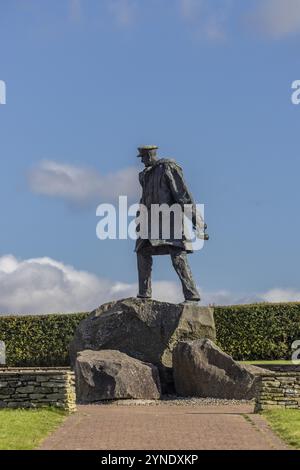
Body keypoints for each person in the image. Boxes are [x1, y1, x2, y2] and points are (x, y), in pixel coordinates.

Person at [135, 145, 207, 303]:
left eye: (144, 157)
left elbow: (182, 195)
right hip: (150, 221)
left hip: (170, 219)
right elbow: (144, 199)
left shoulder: (168, 167)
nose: (143, 161)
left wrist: (196, 219)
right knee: (142, 251)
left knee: (177, 255)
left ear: (151, 155)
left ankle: (191, 294)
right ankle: (144, 294)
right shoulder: (145, 175)